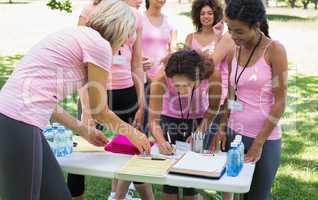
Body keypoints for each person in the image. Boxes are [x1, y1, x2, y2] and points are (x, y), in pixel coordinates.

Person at [0, 0, 151, 199]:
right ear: (119, 29)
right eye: (125, 37)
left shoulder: (77, 35)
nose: (124, 44)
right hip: (18, 121)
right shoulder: (99, 45)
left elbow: (49, 104)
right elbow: (99, 111)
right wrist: (133, 133)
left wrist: (81, 129)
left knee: (58, 195)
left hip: (16, 118)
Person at [68, 0, 154, 200]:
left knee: (133, 149)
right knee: (81, 153)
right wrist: (88, 110)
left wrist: (140, 102)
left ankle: (119, 195)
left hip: (126, 92)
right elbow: (81, 65)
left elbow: (136, 62)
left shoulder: (135, 15)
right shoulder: (90, 10)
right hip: (94, 92)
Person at [212, 0, 288, 199]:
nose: (234, 36)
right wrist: (222, 126)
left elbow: (280, 102)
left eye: (239, 31)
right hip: (233, 133)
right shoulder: (234, 50)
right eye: (230, 29)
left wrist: (258, 143)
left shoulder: (275, 51)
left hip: (264, 139)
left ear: (256, 25)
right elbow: (231, 93)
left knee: (256, 196)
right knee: (231, 187)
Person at [148, 49, 221, 200]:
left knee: (192, 181)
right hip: (169, 118)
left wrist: (200, 131)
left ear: (198, 77)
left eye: (186, 85)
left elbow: (214, 107)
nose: (181, 91)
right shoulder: (161, 78)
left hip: (200, 120)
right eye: (176, 85)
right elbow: (153, 120)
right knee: (169, 179)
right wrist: (161, 141)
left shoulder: (212, 74)